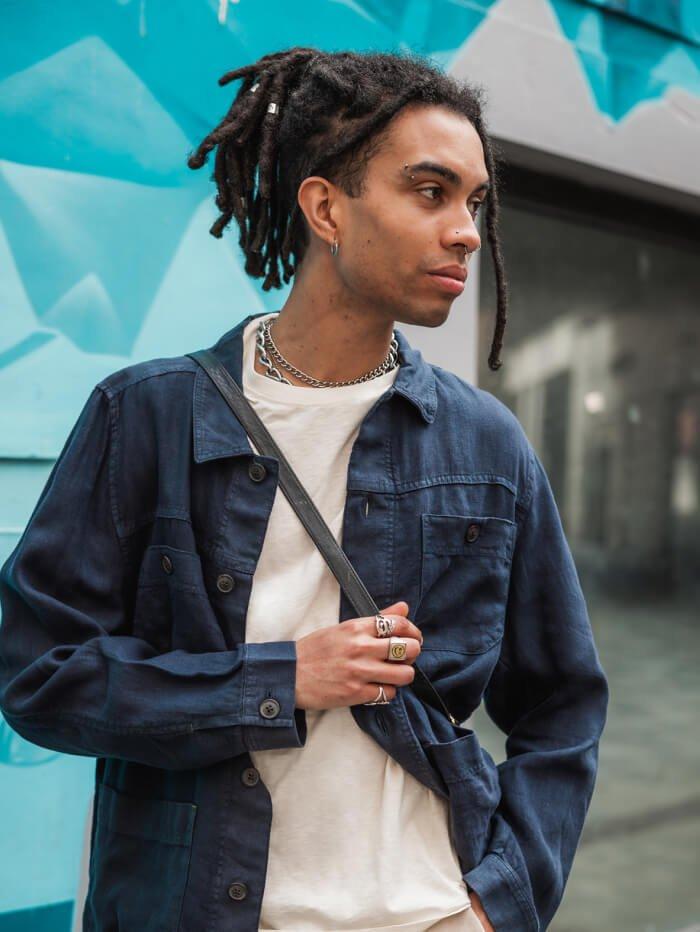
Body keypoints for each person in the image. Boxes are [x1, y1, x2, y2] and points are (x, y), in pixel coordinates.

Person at [0, 47, 609, 931]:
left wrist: (499, 902)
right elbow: (38, 675)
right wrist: (283, 678)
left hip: (430, 912)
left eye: (474, 202)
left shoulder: (486, 443)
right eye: (431, 192)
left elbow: (563, 705)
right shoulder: (149, 416)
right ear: (326, 205)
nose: (469, 231)